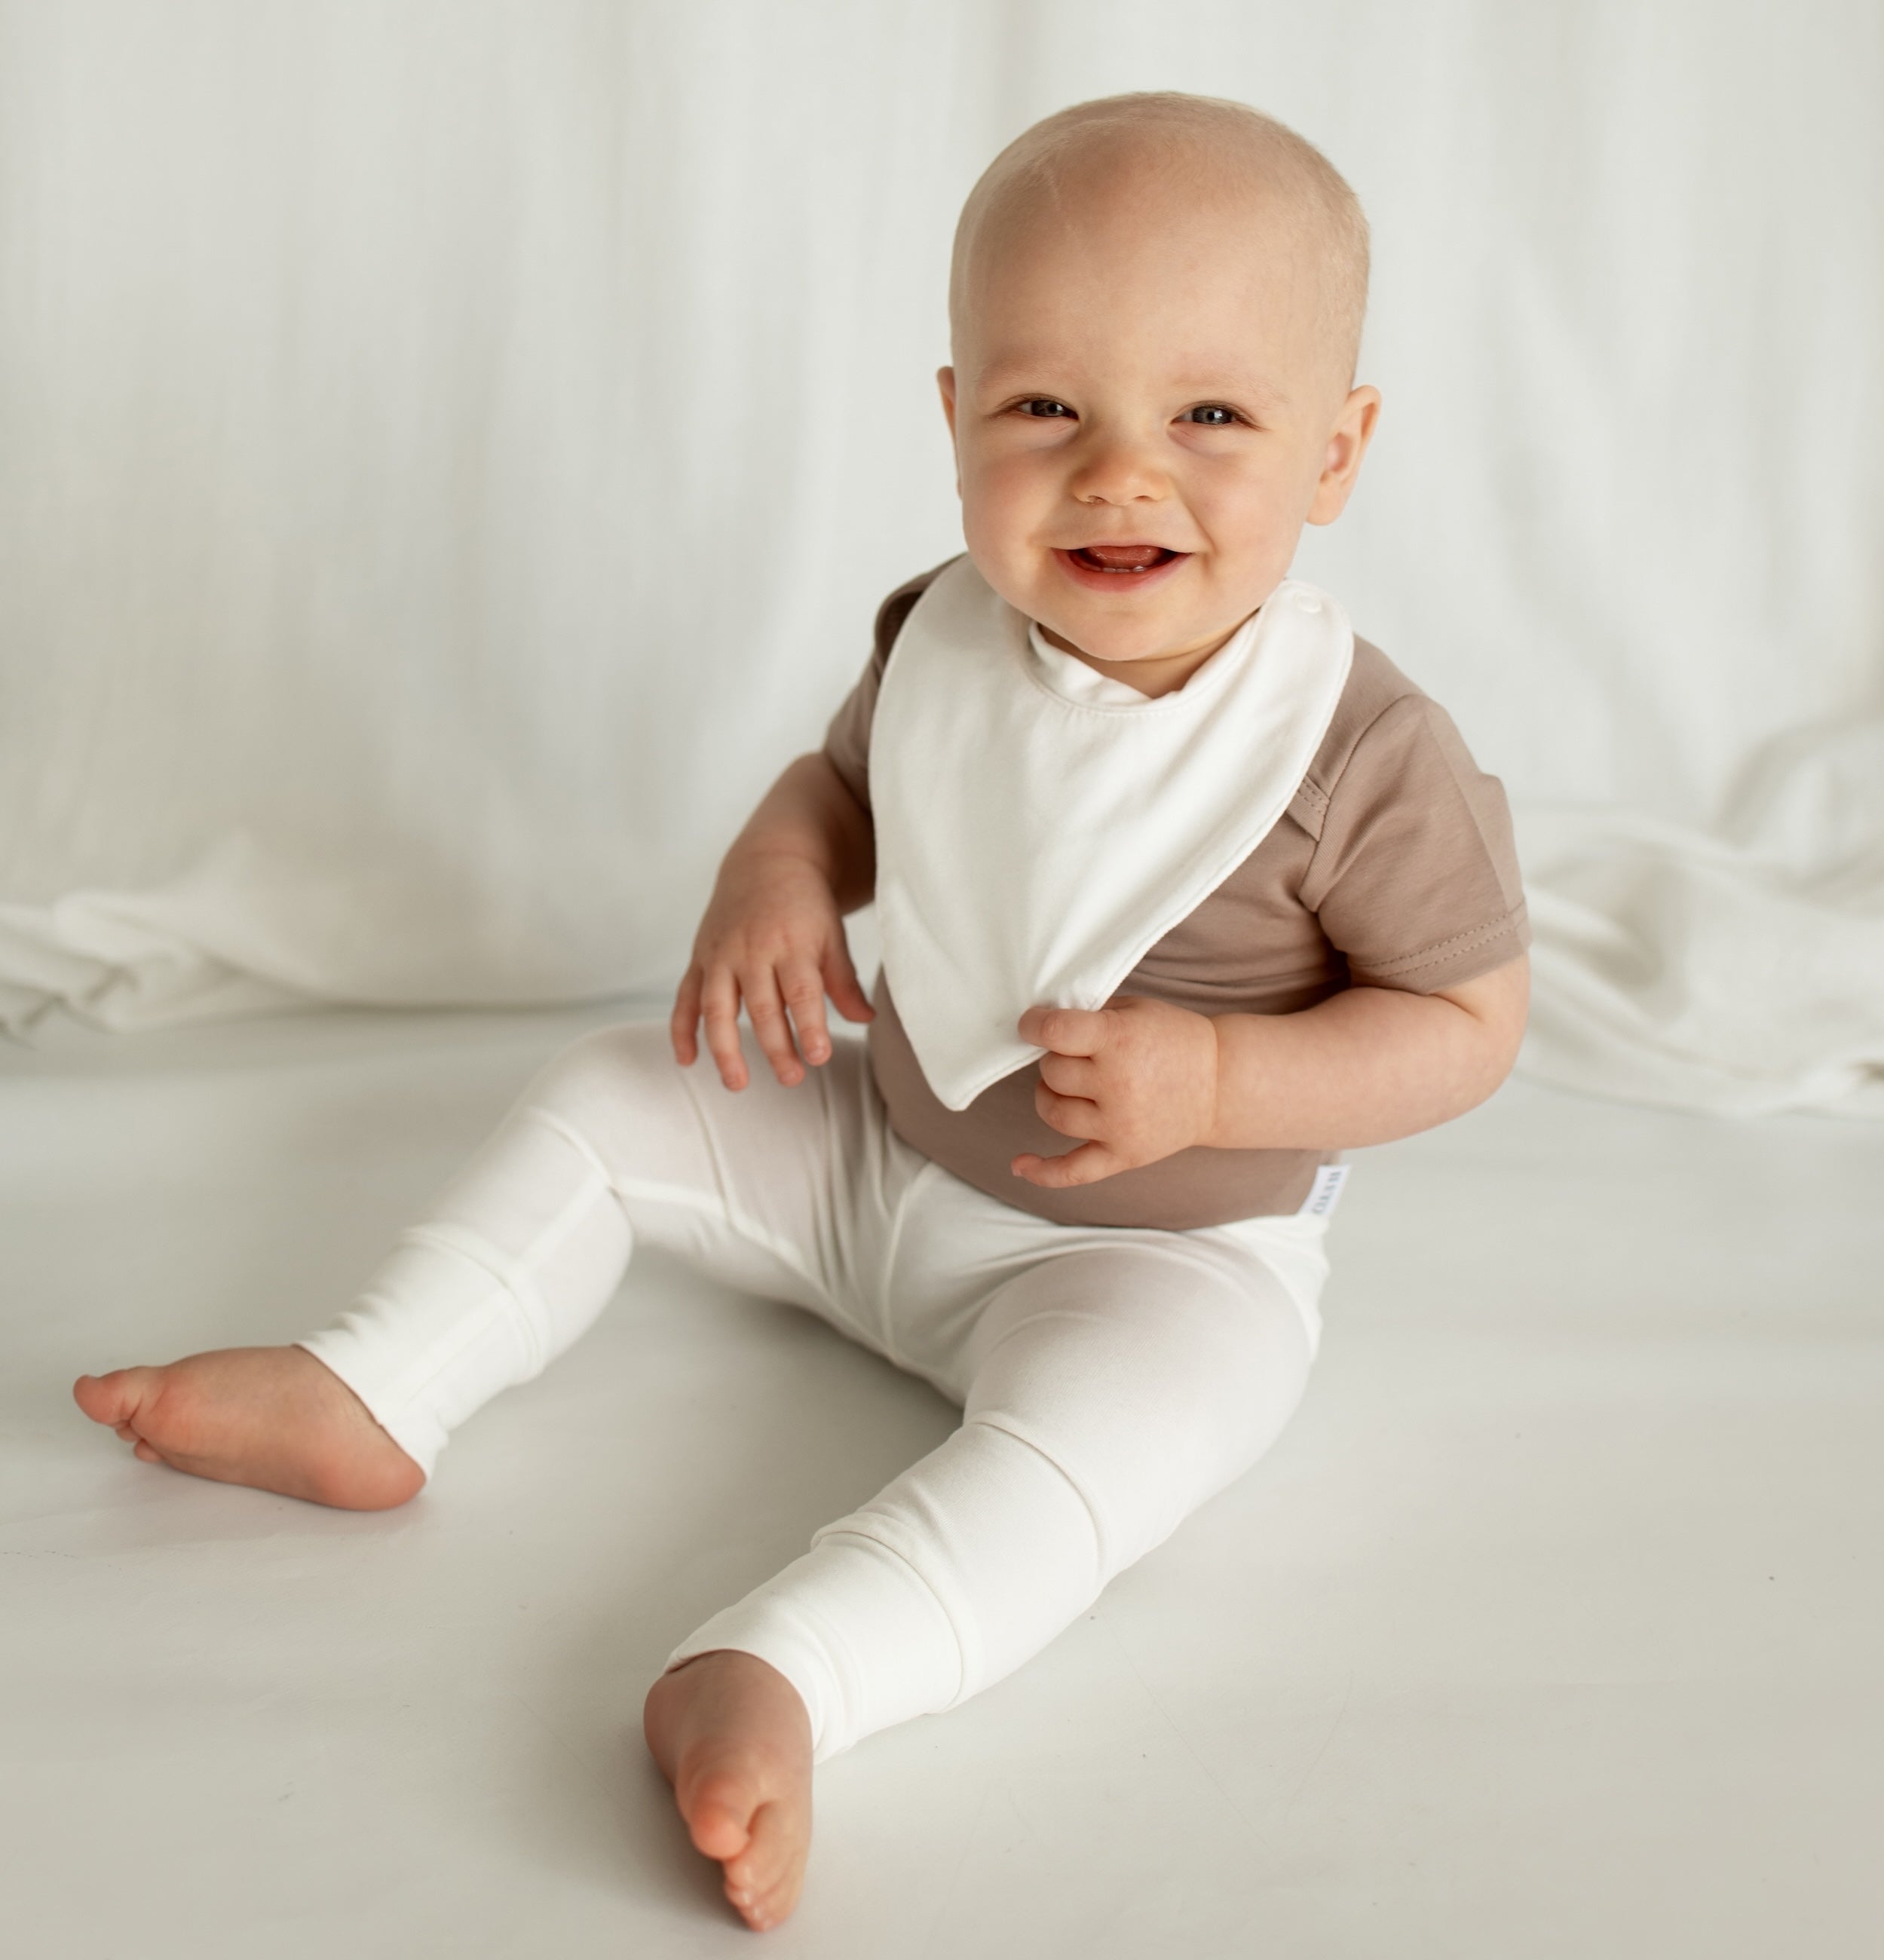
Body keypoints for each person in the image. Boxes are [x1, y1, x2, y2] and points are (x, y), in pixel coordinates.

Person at [74, 92, 1530, 1932]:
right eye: (1043, 409)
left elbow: (1469, 1021)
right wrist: (776, 877)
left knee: (1118, 1452)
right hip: (873, 1153)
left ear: (1338, 450)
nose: (1119, 472)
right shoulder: (940, 631)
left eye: (1213, 416)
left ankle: (777, 1673)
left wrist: (1229, 1070)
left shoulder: (1360, 756)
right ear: (953, 421)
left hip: (1160, 1256)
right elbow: (839, 793)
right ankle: (377, 1379)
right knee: (614, 1093)